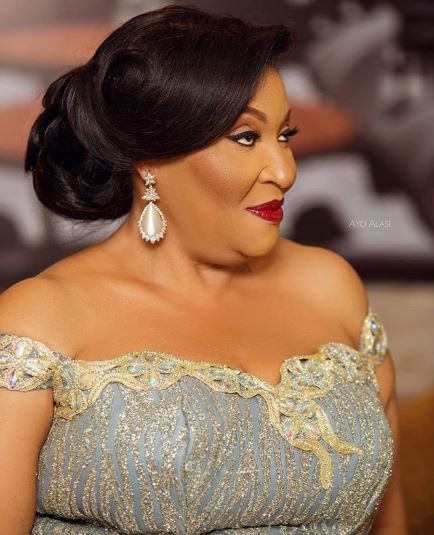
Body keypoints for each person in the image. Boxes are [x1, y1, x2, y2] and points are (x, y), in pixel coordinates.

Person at [0, 4, 407, 534]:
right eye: (246, 138)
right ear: (150, 157)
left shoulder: (332, 288)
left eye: (285, 135)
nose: (285, 171)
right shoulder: (39, 321)